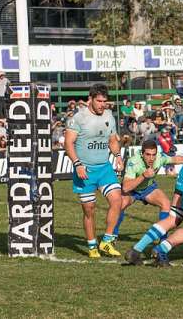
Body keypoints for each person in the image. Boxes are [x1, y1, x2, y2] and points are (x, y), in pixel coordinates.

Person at [64, 84, 124, 258]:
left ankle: (106, 240)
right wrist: (77, 164)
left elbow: (112, 140)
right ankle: (92, 246)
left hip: (104, 168)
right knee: (89, 210)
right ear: (90, 99)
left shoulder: (108, 116)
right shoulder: (78, 118)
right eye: (99, 101)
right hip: (85, 170)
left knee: (117, 200)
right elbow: (68, 144)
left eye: (105, 101)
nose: (102, 105)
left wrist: (118, 156)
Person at [115, 140, 183, 239]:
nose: (151, 158)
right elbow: (126, 187)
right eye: (148, 154)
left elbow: (175, 159)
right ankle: (112, 237)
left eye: (153, 154)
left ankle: (163, 240)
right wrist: (144, 176)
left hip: (148, 188)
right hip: (132, 190)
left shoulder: (160, 157)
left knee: (166, 203)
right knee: (120, 205)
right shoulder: (133, 161)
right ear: (142, 153)